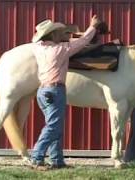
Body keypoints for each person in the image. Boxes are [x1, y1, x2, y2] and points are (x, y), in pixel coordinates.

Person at [30, 15, 100, 170]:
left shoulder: (38, 48)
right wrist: (93, 27)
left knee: (54, 125)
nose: (62, 34)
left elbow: (42, 41)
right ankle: (36, 157)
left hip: (43, 91)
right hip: (55, 90)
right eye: (59, 32)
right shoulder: (61, 49)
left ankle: (56, 160)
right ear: (53, 35)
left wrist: (65, 35)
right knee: (54, 126)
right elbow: (83, 42)